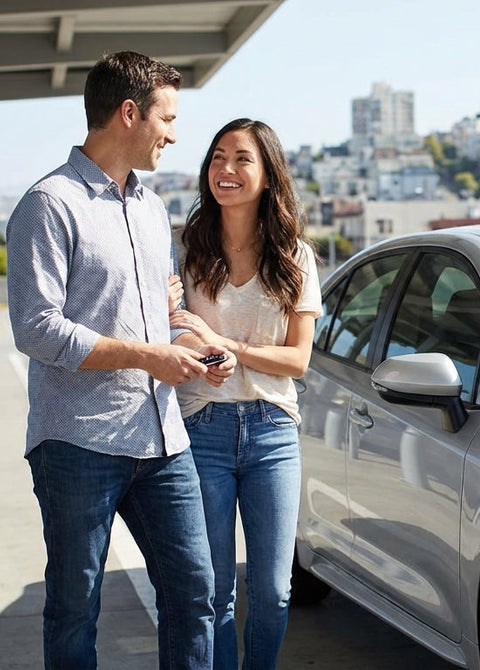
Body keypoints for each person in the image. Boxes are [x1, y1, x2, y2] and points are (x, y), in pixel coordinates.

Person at [6, 51, 234, 670]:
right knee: (75, 607)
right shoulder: (47, 204)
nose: (175, 133)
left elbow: (163, 311)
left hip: (161, 439)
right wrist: (146, 355)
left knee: (196, 594)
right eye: (166, 117)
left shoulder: (152, 207)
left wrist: (195, 348)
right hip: (78, 443)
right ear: (128, 113)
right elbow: (35, 327)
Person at [168, 118, 322, 670]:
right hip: (201, 426)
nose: (225, 170)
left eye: (241, 159)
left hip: (272, 431)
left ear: (267, 174)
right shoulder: (184, 251)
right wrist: (201, 348)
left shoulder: (295, 257)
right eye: (217, 157)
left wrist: (230, 345)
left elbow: (298, 360)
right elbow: (170, 324)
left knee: (274, 591)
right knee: (212, 593)